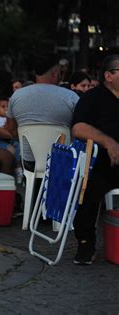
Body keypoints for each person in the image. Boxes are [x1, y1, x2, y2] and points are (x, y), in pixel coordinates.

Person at [71, 54, 119, 265]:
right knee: (89, 189)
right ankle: (85, 242)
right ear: (109, 75)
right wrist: (108, 142)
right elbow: (78, 128)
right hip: (103, 164)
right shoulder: (93, 98)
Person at [5, 54, 79, 171]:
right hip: (62, 162)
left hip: (29, 163)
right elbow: (78, 131)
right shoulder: (71, 97)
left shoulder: (17, 96)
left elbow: (11, 129)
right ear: (55, 72)